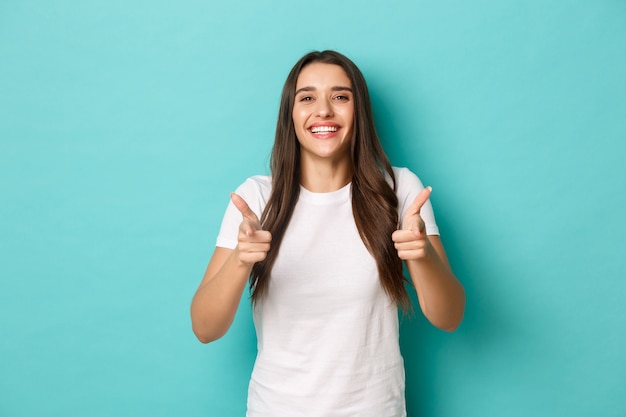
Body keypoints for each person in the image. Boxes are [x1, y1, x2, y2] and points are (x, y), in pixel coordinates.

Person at [190, 50, 465, 417]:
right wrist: (242, 260)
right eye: (307, 98)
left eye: (340, 97)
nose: (323, 110)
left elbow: (449, 317)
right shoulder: (257, 198)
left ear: (359, 111)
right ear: (291, 114)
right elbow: (205, 328)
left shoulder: (400, 190)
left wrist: (421, 255)